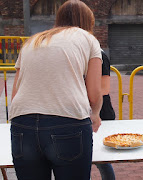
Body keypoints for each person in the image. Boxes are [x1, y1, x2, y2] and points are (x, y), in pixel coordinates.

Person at [9, 1, 102, 180]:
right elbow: (94, 92)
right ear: (88, 21)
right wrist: (96, 113)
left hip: (23, 123)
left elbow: (16, 93)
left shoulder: (33, 40)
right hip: (68, 121)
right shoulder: (89, 39)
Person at [95, 50, 116, 180]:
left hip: (101, 113)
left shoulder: (99, 55)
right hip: (89, 112)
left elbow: (104, 89)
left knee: (101, 157)